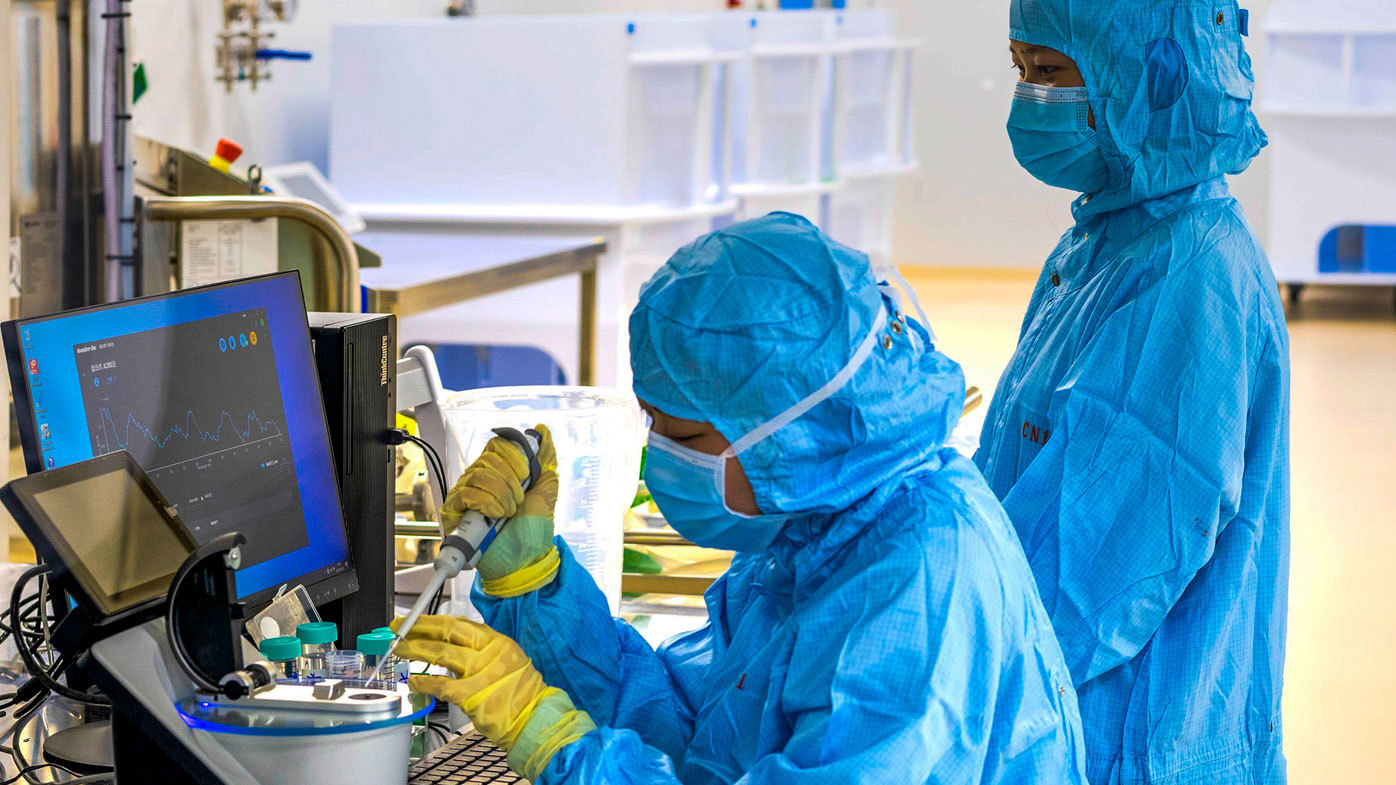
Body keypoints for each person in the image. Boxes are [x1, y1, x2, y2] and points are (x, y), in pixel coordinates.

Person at [395, 213, 1090, 783]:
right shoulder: (812, 526)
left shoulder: (916, 577)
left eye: (684, 433)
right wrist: (534, 585)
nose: (657, 454)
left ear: (791, 428)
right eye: (651, 422)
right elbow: (698, 736)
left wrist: (553, 741)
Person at [975, 2, 1290, 783]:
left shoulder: (1190, 273)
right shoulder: (1101, 244)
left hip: (1131, 739)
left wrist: (943, 656)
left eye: (1049, 72)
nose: (1026, 99)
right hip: (1064, 707)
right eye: (1018, 70)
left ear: (1150, 72)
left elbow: (1093, 573)